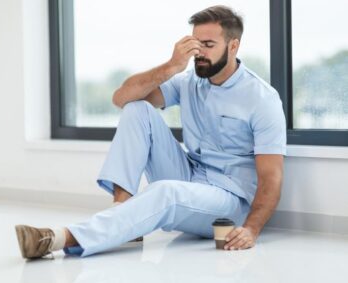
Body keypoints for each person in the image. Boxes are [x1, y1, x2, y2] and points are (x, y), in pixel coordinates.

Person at [15, 5, 286, 259]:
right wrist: (171, 66)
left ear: (233, 45)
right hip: (192, 176)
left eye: (208, 45)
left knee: (165, 191)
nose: (199, 53)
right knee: (137, 108)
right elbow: (121, 98)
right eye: (194, 44)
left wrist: (250, 229)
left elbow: (271, 178)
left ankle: (61, 238)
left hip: (229, 202)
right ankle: (122, 214)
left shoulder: (262, 98)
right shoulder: (189, 82)